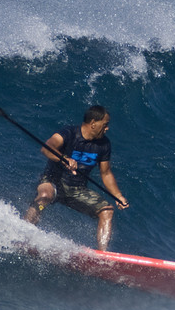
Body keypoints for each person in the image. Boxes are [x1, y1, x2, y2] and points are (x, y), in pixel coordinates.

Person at [23, 105, 129, 251]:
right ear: (93, 123)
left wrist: (118, 195)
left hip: (77, 189)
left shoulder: (104, 144)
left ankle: (103, 255)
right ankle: (24, 236)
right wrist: (64, 158)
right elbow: (47, 147)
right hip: (52, 181)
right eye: (105, 124)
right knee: (44, 196)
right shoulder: (69, 133)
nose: (107, 128)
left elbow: (106, 173)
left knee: (107, 211)